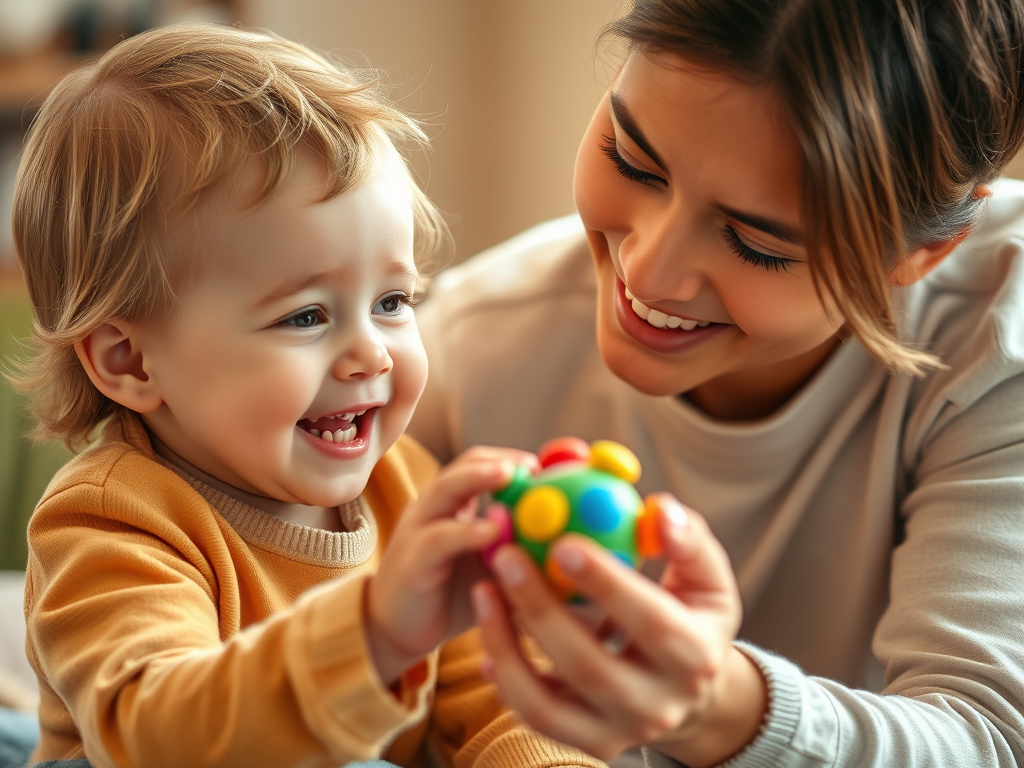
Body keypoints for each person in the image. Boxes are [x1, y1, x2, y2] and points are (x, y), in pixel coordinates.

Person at [408, 0, 1024, 766]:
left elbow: (988, 738)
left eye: (757, 243)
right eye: (632, 161)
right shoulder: (465, 347)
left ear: (923, 253)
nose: (647, 272)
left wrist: (722, 710)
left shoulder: (1002, 339)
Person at [7, 24, 613, 768]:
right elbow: (158, 736)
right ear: (130, 360)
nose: (371, 354)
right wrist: (375, 634)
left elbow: (491, 700)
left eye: (393, 301)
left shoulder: (407, 489)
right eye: (306, 317)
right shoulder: (110, 521)